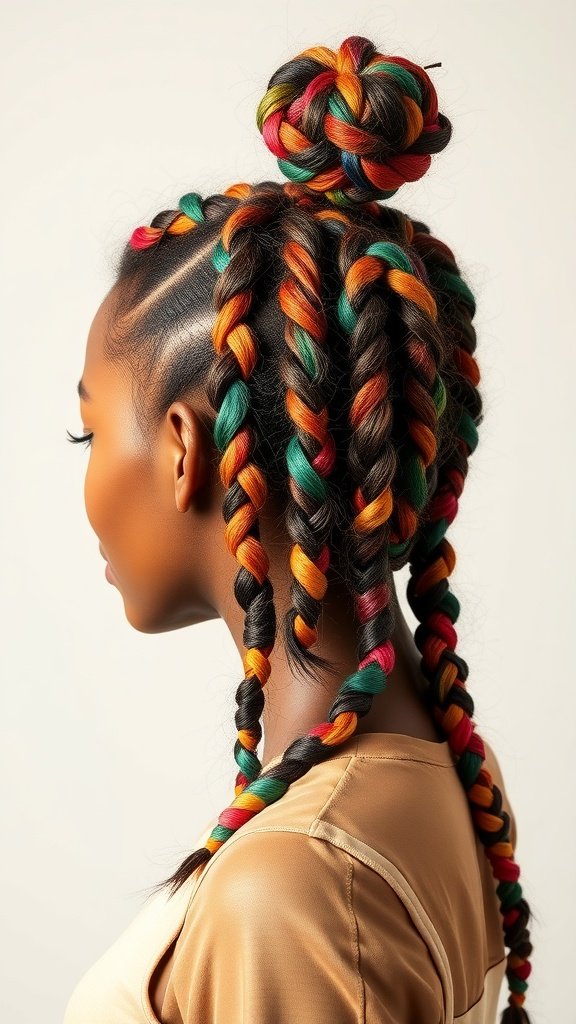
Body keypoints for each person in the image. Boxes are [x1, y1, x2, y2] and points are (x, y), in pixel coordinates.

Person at [63, 33, 534, 1024]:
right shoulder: (443, 765)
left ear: (185, 450)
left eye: (91, 431)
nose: (90, 475)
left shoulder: (296, 887)